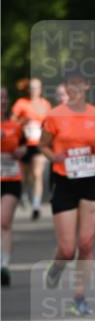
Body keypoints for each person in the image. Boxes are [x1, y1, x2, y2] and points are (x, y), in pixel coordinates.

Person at [39, 71, 95, 314]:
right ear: (66, 88)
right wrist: (53, 156)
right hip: (64, 180)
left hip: (91, 180)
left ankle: (79, 297)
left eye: (81, 84)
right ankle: (57, 266)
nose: (76, 89)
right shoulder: (55, 115)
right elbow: (43, 144)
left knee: (86, 243)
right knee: (68, 249)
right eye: (72, 85)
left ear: (88, 85)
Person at [12, 76, 52, 219]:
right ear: (28, 89)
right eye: (32, 87)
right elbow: (12, 122)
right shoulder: (21, 103)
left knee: (37, 174)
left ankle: (36, 205)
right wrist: (24, 121)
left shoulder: (45, 105)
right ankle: (23, 195)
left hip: (38, 145)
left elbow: (50, 124)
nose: (34, 90)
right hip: (24, 144)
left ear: (40, 89)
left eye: (37, 87)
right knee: (25, 177)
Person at [1, 87, 27, 286]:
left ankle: (4, 265)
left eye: (4, 97)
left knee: (4, 221)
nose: (1, 101)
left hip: (10, 179)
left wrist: (21, 150)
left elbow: (27, 146)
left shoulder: (16, 126)